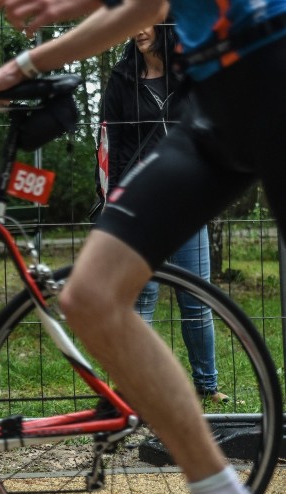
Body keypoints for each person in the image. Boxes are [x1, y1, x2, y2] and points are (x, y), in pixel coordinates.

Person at [0, 1, 283, 494]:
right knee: (91, 293)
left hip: (273, 61)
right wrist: (28, 64)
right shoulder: (134, 69)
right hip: (214, 102)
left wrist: (42, 43)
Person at [98, 23, 227, 405]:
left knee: (196, 301)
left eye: (145, 21)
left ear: (164, 24)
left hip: (188, 201)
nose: (137, 30)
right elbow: (111, 143)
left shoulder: (187, 73)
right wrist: (117, 198)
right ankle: (134, 390)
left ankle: (207, 385)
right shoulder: (121, 78)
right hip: (138, 203)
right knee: (140, 301)